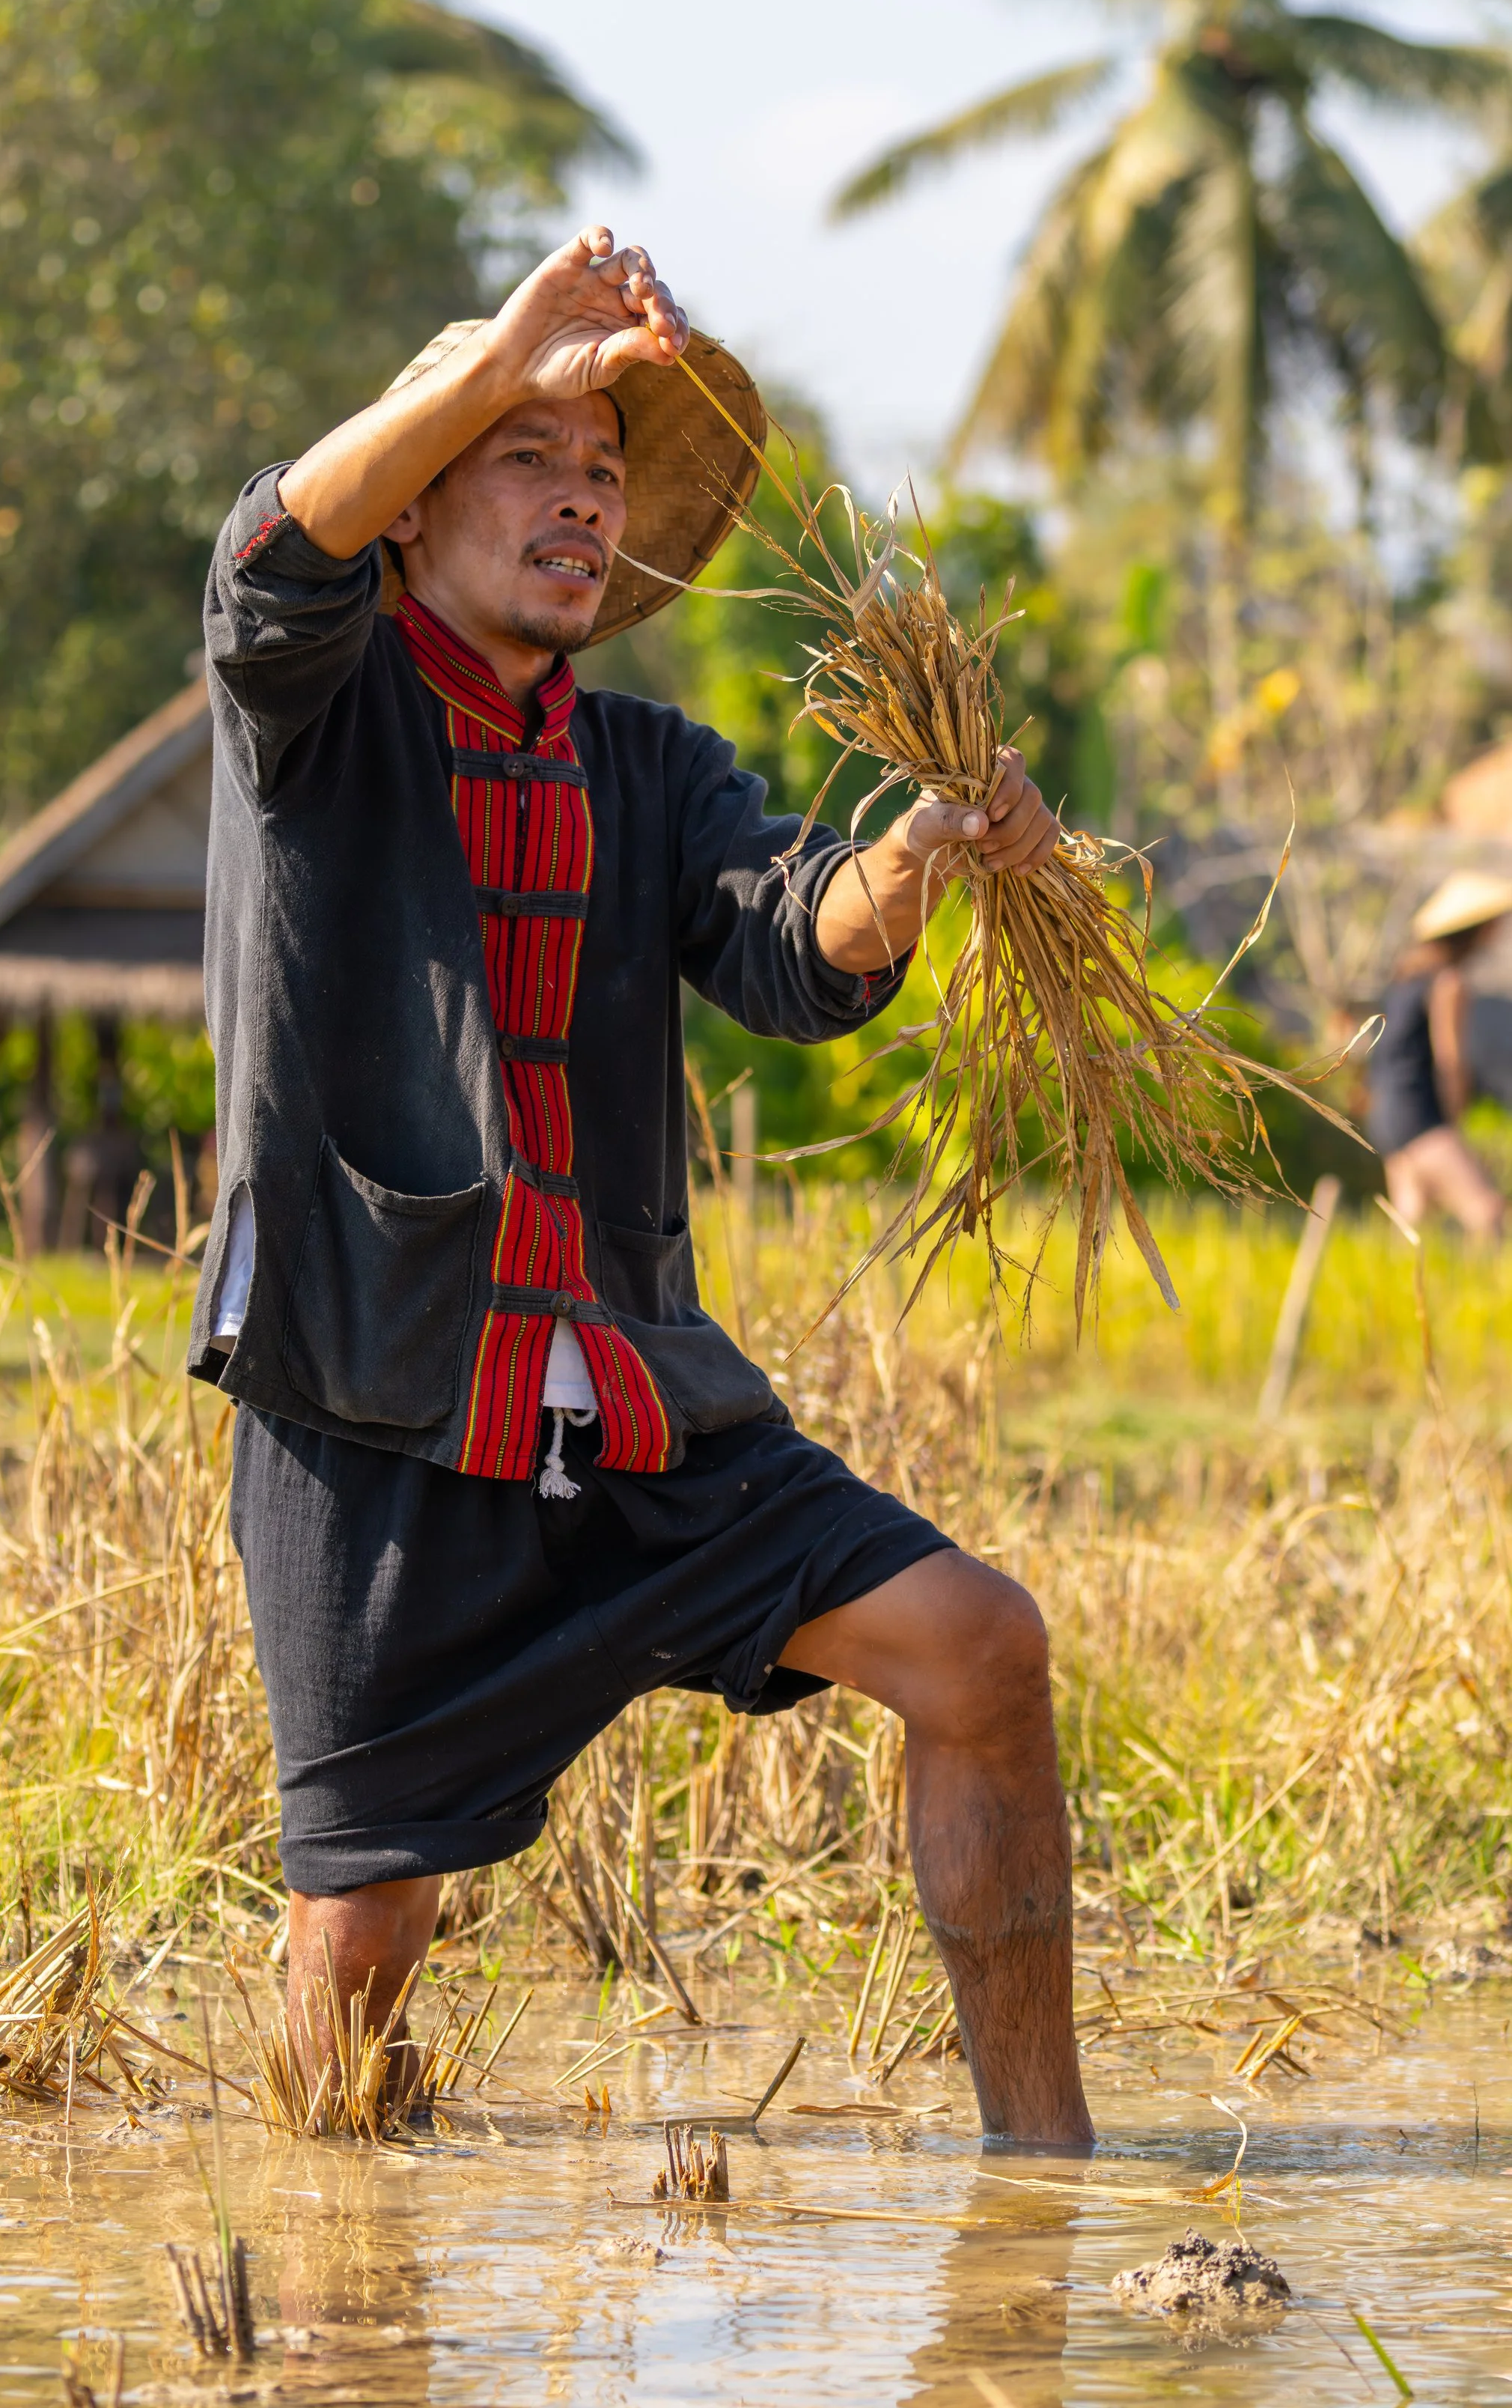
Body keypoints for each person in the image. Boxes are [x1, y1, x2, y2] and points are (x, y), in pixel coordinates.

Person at [190, 222, 1093, 2150]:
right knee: (356, 1932)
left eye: (607, 474)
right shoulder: (318, 713)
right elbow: (266, 560)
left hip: (627, 1396)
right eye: (538, 457)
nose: (587, 498)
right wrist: (510, 339)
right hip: (379, 1396)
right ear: (424, 494)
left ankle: (1052, 2170)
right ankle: (330, 2331)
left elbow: (789, 943)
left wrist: (924, 850)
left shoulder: (650, 761)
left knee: (981, 1644)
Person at [1367, 872, 1512, 1236]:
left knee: (1414, 1225)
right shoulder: (1450, 983)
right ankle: (1492, 1292)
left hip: (1385, 1113)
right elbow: (1450, 1060)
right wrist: (1453, 1120)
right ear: (1477, 929)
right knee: (1488, 1211)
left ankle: (1401, 1292)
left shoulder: (1407, 976)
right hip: (1418, 1113)